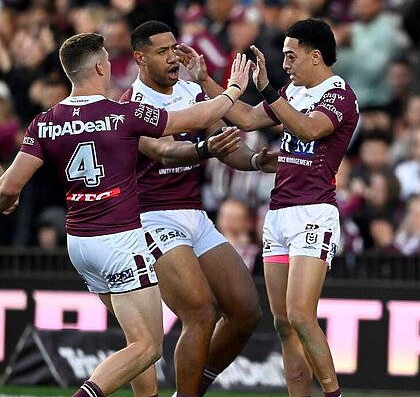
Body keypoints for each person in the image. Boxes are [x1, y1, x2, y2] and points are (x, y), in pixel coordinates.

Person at [0, 32, 252, 397]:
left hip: (80, 245)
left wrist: (7, 203)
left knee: (135, 341)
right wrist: (232, 91)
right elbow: (198, 115)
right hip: (120, 239)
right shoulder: (123, 114)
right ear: (101, 66)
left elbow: (8, 187)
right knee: (148, 346)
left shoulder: (45, 122)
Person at [177, 17, 359, 397]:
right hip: (278, 214)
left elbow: (310, 130)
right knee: (283, 324)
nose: (286, 63)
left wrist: (268, 90)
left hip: (314, 211)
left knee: (300, 315)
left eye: (291, 56)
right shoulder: (293, 90)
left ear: (316, 56)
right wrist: (205, 80)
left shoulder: (339, 95)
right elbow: (244, 117)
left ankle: (334, 394)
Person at [120, 20, 275, 397]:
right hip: (152, 217)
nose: (173, 57)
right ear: (140, 58)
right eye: (162, 52)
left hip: (194, 214)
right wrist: (206, 149)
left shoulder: (192, 92)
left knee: (245, 312)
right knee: (201, 314)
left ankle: (191, 387)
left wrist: (256, 161)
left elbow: (227, 144)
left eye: (174, 48)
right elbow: (167, 150)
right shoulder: (130, 105)